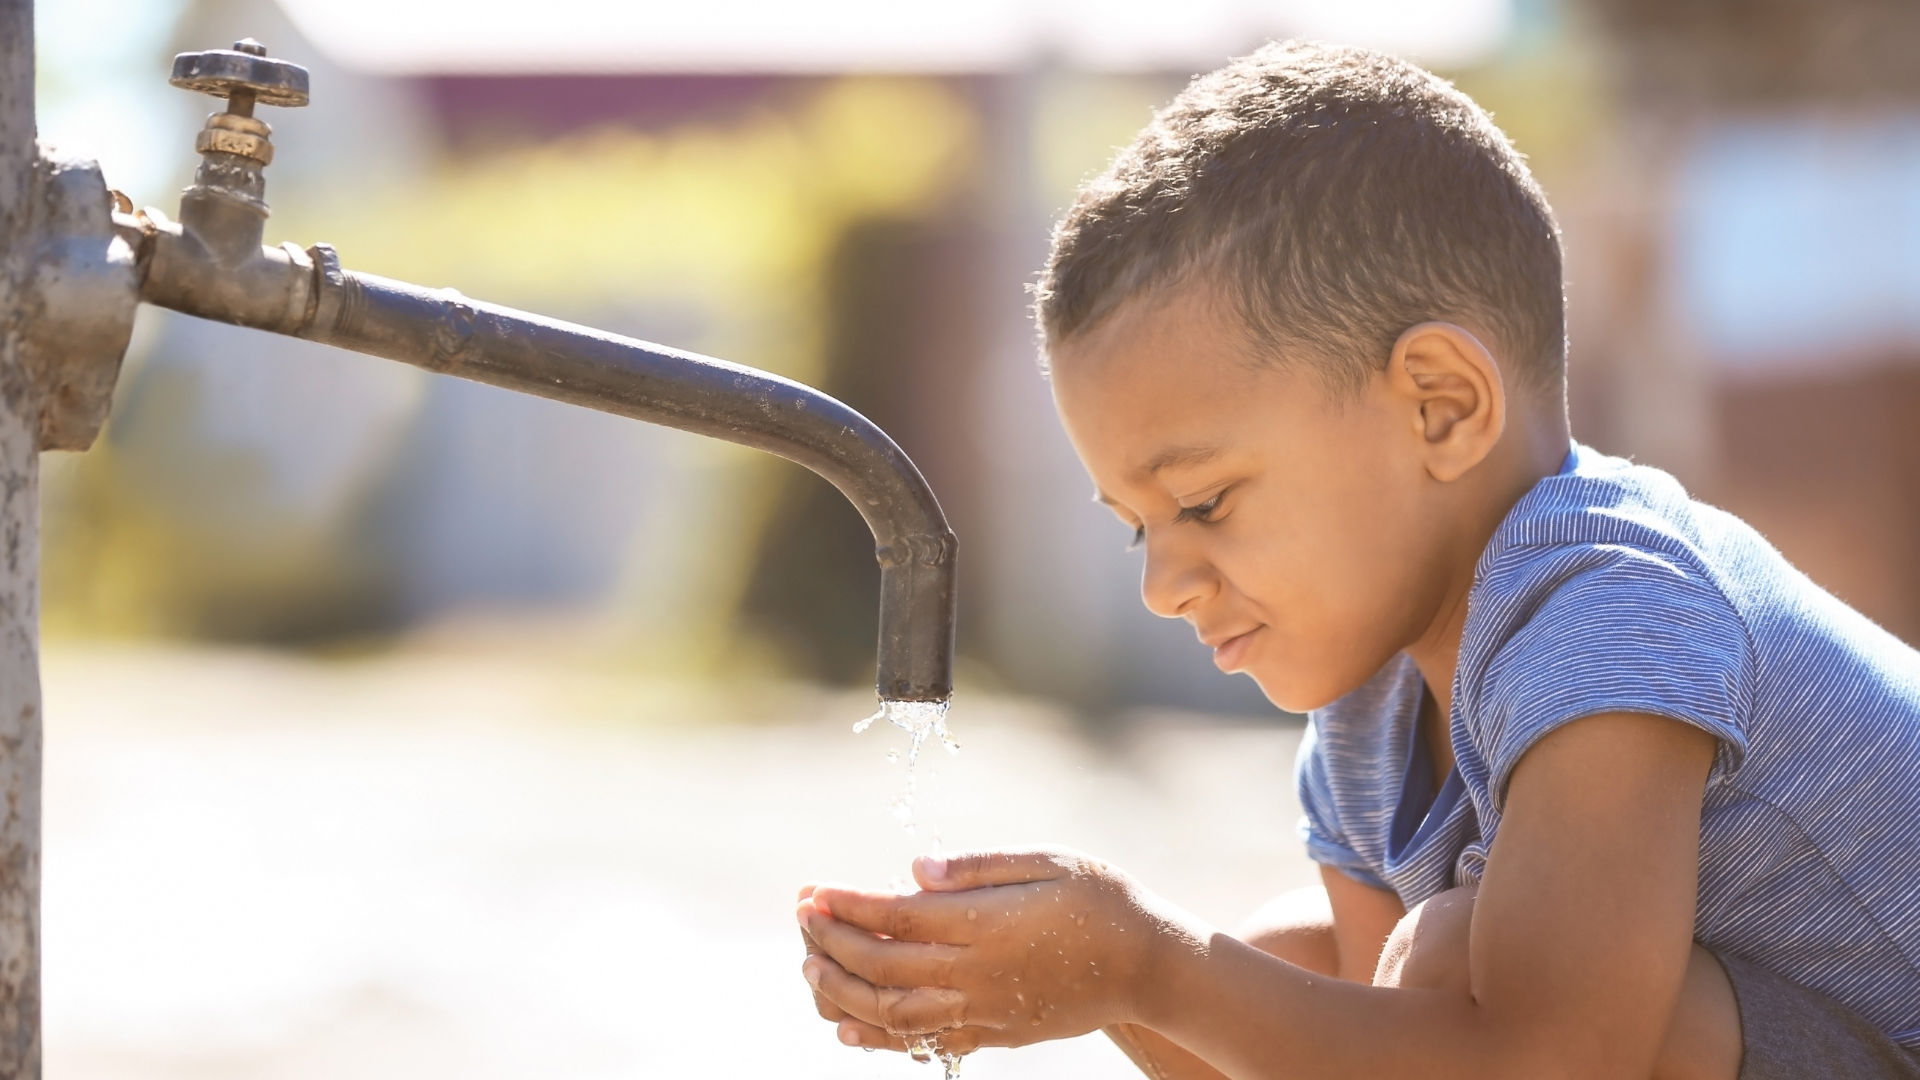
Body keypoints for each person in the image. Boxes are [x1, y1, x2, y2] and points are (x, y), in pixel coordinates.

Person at [794, 41, 1920, 1080]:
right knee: (1324, 960)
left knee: (1433, 964)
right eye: (1141, 525)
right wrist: (1082, 976)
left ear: (1440, 407)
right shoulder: (1372, 710)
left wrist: (1150, 966)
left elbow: (1540, 1063)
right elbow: (1364, 1041)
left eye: (1204, 501)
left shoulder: (1611, 605)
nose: (1163, 584)